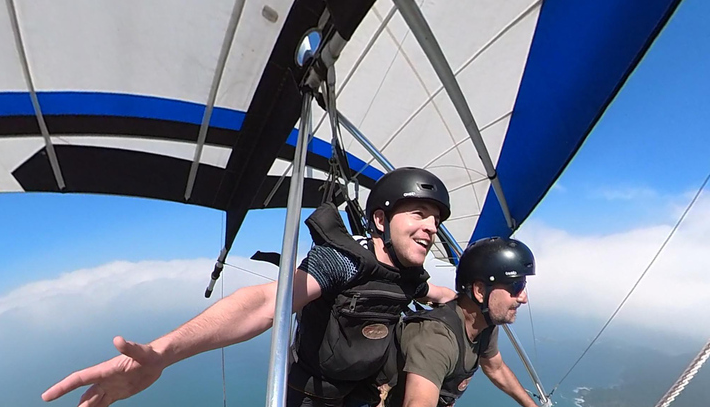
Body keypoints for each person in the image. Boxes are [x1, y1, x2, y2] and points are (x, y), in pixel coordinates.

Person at [42, 167, 457, 407]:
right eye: (417, 214)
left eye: (435, 221)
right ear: (381, 222)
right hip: (313, 396)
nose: (429, 228)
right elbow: (264, 303)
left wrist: (457, 298)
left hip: (362, 394)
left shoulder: (409, 273)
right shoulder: (344, 261)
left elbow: (423, 292)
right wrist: (163, 353)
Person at [386, 237, 538, 407]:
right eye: (516, 286)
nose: (523, 298)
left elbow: (496, 369)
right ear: (480, 291)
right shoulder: (437, 338)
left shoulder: (484, 324)